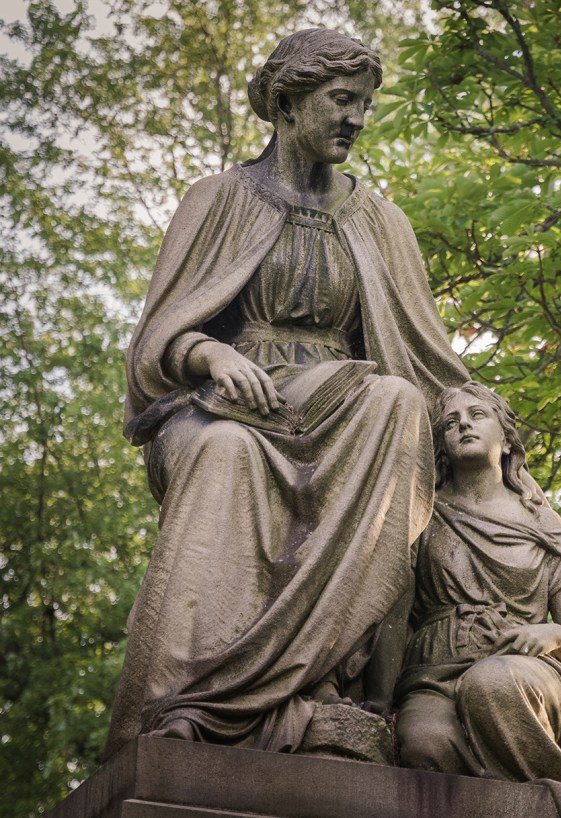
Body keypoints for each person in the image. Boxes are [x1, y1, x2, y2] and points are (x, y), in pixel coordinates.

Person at [103, 29, 468, 759]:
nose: (356, 118)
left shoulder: (379, 219)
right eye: (341, 100)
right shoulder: (218, 199)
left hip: (335, 402)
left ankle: (330, 683)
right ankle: (193, 701)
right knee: (227, 452)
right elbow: (153, 348)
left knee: (396, 405)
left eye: (364, 104)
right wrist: (205, 353)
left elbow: (423, 354)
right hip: (219, 408)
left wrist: (490, 430)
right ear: (287, 102)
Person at [396, 382, 561, 788]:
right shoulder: (422, 516)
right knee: (423, 745)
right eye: (451, 423)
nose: (464, 426)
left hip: (522, 675)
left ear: (507, 438)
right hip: (435, 674)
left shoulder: (546, 527)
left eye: (477, 415)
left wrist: (554, 634)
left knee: (491, 683)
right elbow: (393, 612)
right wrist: (380, 701)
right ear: (442, 444)